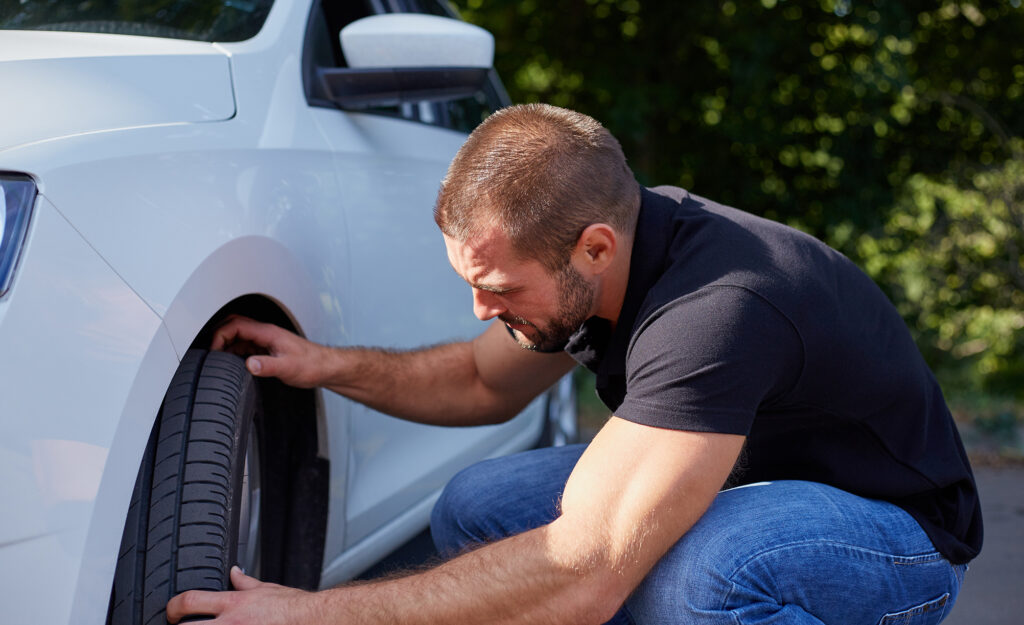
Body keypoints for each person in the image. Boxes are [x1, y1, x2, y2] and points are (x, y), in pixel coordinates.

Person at [167, 103, 981, 624]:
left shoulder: (718, 307)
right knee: (478, 503)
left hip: (893, 535)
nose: (482, 309)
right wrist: (324, 362)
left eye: (496, 286)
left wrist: (312, 616)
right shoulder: (606, 261)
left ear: (593, 247)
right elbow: (481, 379)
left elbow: (580, 572)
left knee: (706, 576)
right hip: (749, 478)